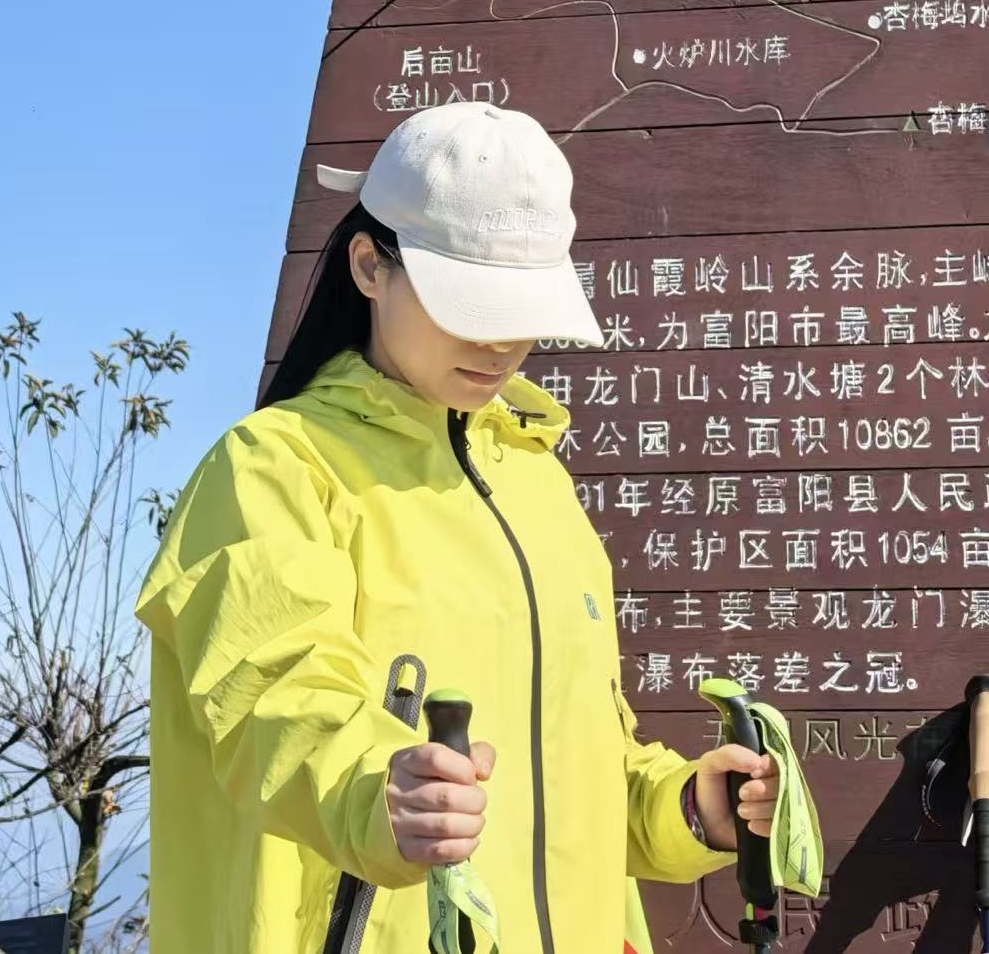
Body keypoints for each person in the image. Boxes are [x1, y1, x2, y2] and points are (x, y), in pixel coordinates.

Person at [134, 102, 777, 954]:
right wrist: (380, 792)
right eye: (469, 304)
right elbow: (272, 704)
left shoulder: (538, 483)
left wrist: (688, 806)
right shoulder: (271, 467)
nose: (501, 343)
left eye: (523, 309)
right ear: (370, 265)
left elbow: (581, 759)